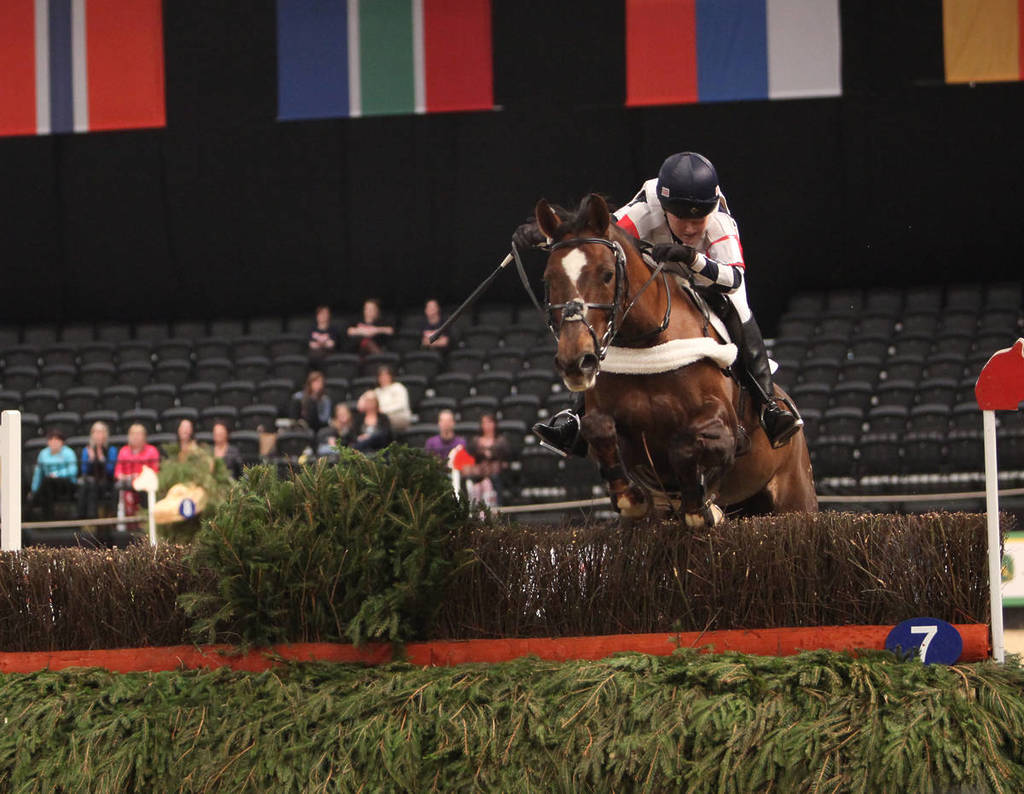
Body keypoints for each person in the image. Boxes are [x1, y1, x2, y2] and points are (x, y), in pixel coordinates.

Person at [521, 151, 802, 454]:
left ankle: (769, 407)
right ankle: (576, 417)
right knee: (613, 310)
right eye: (681, 218)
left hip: (710, 275)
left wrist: (693, 258)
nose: (691, 228)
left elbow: (733, 279)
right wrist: (547, 238)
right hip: (657, 273)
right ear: (665, 207)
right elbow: (596, 240)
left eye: (698, 219)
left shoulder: (720, 223)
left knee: (740, 307)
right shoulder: (645, 209)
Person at [114, 423, 161, 517]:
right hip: (127, 481)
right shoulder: (124, 451)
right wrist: (126, 476)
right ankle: (122, 523)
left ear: (144, 437)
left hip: (145, 483)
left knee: (144, 488)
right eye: (133, 434)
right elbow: (118, 472)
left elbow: (156, 471)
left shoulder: (152, 451)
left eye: (139, 434)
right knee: (117, 488)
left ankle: (146, 518)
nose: (135, 437)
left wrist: (140, 476)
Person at [464, 414, 511, 508]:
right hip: (478, 473)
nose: (487, 425)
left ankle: (498, 507)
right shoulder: (476, 440)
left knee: (495, 477)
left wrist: (490, 454)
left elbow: (506, 456)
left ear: (494, 424)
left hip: (496, 472)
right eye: (484, 423)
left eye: (489, 422)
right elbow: (469, 455)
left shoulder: (501, 440)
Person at [31, 429, 78, 519]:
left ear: (62, 442)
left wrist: (57, 474)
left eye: (57, 440)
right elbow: (38, 473)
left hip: (66, 484)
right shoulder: (43, 453)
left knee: (47, 482)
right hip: (49, 485)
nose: (54, 442)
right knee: (46, 485)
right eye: (51, 440)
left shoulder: (69, 453)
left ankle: (42, 513)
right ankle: (46, 517)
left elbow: (73, 471)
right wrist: (34, 490)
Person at [78, 421, 118, 519]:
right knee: (88, 485)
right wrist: (91, 460)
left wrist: (102, 459)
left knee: (96, 485)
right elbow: (84, 471)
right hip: (91, 482)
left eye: (101, 432)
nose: (98, 435)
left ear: (105, 434)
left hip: (107, 481)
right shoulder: (87, 450)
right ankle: (84, 518)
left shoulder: (111, 450)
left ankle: (101, 518)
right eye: (96, 432)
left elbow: (111, 471)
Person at [373, 365, 412, 433]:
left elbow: (401, 405)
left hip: (399, 416)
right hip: (382, 418)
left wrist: (383, 410)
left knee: (382, 422)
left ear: (391, 376)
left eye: (386, 375)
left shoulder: (398, 387)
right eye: (381, 376)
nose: (383, 378)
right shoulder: (376, 391)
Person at [307, 304, 341, 371]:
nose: (323, 316)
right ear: (317, 316)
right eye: (321, 314)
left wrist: (319, 344)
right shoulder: (311, 329)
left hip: (328, 354)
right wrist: (324, 344)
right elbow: (311, 344)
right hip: (314, 356)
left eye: (325, 314)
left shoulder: (333, 330)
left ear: (329, 315)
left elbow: (331, 344)